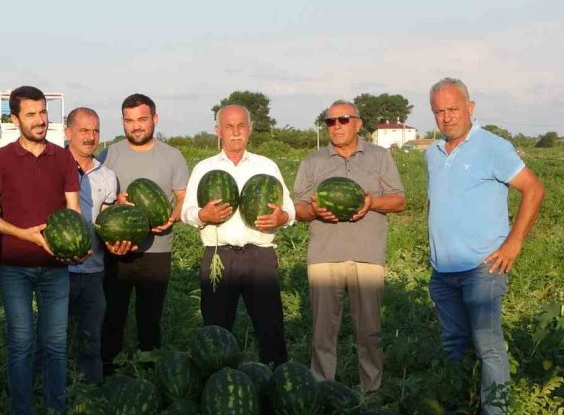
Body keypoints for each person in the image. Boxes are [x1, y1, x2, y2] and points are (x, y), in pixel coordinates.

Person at [425, 77, 544, 415]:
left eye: (453, 109)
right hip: (442, 271)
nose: (447, 117)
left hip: (483, 268)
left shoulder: (493, 146)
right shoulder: (432, 153)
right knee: (453, 344)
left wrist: (514, 242)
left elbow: (534, 189)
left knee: (488, 346)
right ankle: (460, 414)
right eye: (439, 111)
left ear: (470, 108)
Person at [0, 86, 83, 415]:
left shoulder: (63, 158)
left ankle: (56, 414)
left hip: (56, 268)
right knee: (22, 342)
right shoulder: (0, 161)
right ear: (15, 119)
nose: (40, 120)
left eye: (43, 112)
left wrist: (78, 245)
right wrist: (25, 234)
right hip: (15, 267)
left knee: (55, 343)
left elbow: (73, 210)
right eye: (31, 114)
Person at [293, 100, 406, 394]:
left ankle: (371, 391)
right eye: (330, 121)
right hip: (324, 256)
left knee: (369, 331)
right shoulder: (312, 162)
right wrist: (314, 210)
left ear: (357, 123)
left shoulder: (380, 157)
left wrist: (372, 203)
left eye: (343, 120)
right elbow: (298, 209)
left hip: (368, 255)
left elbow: (399, 200)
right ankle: (322, 390)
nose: (336, 126)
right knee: (322, 332)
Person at [182, 105, 294, 366]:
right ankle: (218, 380)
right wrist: (203, 215)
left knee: (271, 328)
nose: (235, 132)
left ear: (250, 130)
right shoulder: (204, 168)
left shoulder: (266, 166)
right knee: (216, 331)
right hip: (218, 257)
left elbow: (289, 208)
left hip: (260, 256)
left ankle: (276, 378)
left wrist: (282, 217)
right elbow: (187, 212)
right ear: (218, 131)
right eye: (229, 126)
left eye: (241, 126)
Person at [100, 93, 190, 375]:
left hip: (157, 250)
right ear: (123, 122)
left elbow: (183, 196)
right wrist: (116, 202)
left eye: (142, 119)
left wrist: (172, 217)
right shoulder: (108, 154)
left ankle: (151, 372)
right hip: (117, 249)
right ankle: (109, 374)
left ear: (155, 119)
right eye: (129, 121)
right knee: (112, 316)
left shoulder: (172, 156)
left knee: (150, 319)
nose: (136, 126)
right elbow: (98, 196)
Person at [63, 107, 119, 382]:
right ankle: (50, 391)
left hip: (94, 270)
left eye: (95, 130)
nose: (90, 136)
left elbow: (107, 222)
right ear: (68, 132)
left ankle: (91, 392)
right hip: (58, 270)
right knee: (53, 337)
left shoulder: (107, 176)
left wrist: (119, 237)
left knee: (91, 338)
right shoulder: (52, 168)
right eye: (84, 130)